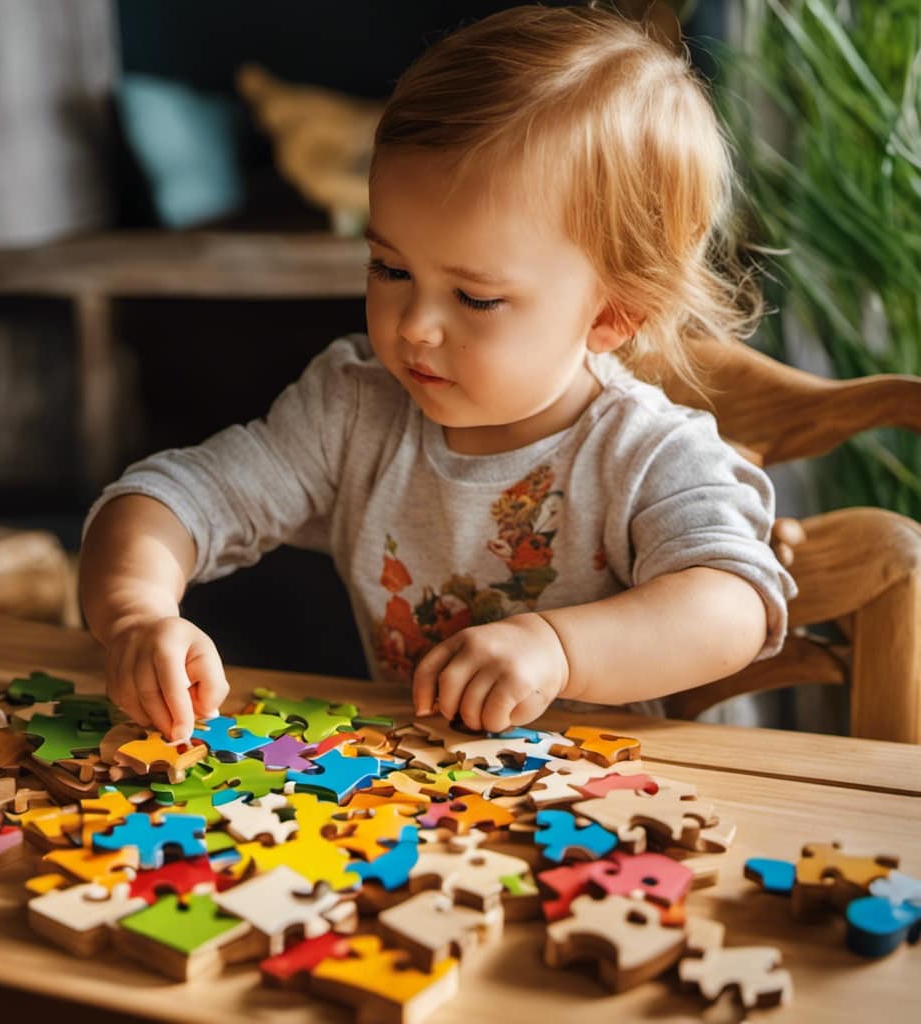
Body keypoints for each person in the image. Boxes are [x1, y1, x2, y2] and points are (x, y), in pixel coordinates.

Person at [79, 4, 797, 742]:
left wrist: (559, 649)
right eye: (390, 267)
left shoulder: (648, 454)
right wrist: (138, 614)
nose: (414, 324)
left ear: (611, 316)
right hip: (417, 806)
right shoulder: (352, 410)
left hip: (610, 811)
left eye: (475, 296)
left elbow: (735, 606)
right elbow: (164, 499)